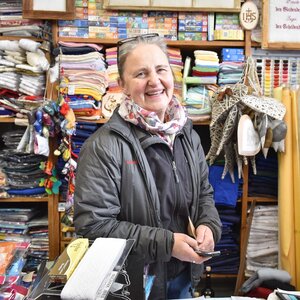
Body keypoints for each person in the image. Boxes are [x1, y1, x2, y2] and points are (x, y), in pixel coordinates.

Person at [74, 33, 222, 300]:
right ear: (123, 85)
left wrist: (209, 226)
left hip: (182, 278)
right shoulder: (103, 147)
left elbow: (204, 194)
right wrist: (167, 244)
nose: (154, 81)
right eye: (141, 74)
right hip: (132, 287)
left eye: (161, 69)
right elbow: (94, 227)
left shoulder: (185, 133)